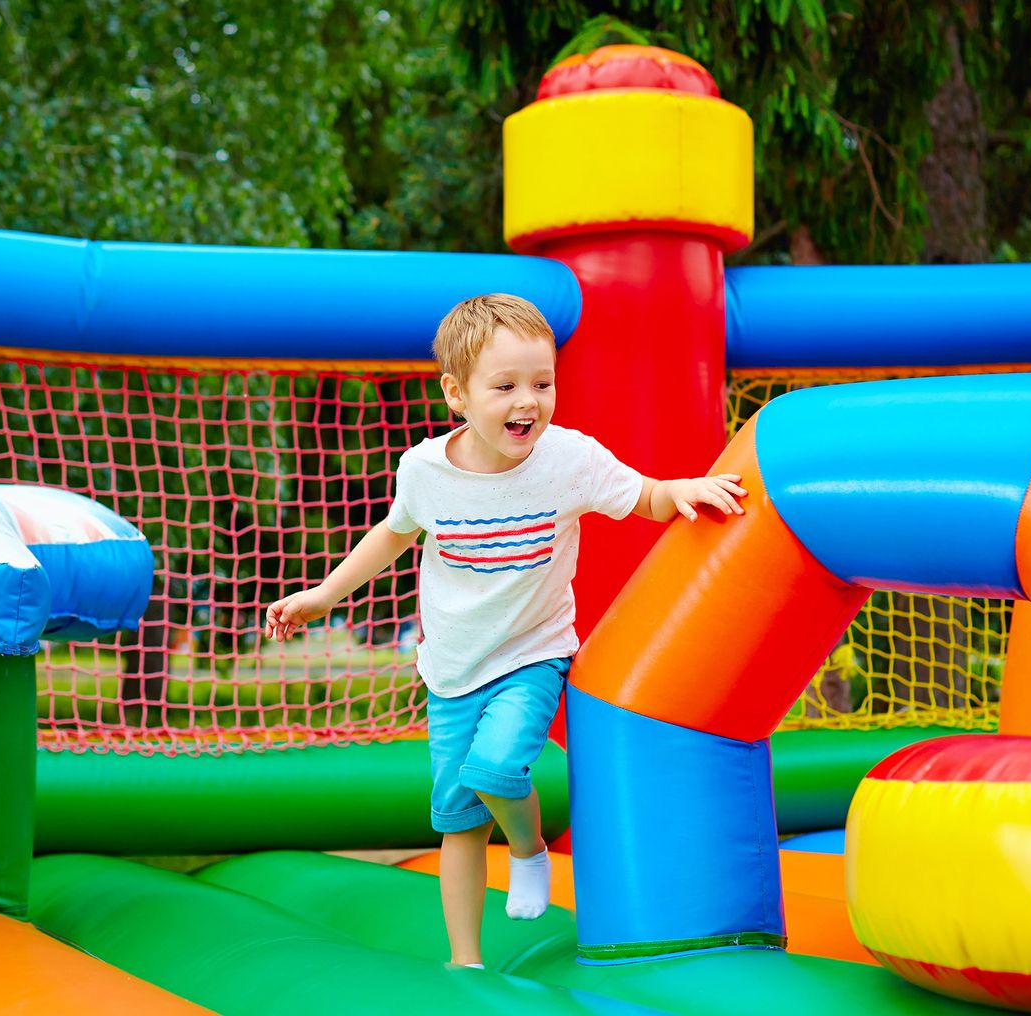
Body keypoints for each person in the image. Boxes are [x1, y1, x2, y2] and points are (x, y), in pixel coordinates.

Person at [264, 292, 746, 968]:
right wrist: (322, 595)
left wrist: (683, 490)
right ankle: (465, 959)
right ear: (456, 395)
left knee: (496, 767)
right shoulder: (425, 471)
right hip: (453, 668)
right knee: (457, 822)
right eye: (507, 386)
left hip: (532, 653)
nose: (529, 401)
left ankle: (527, 848)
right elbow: (391, 537)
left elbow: (644, 496)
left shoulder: (568, 459)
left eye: (543, 383)